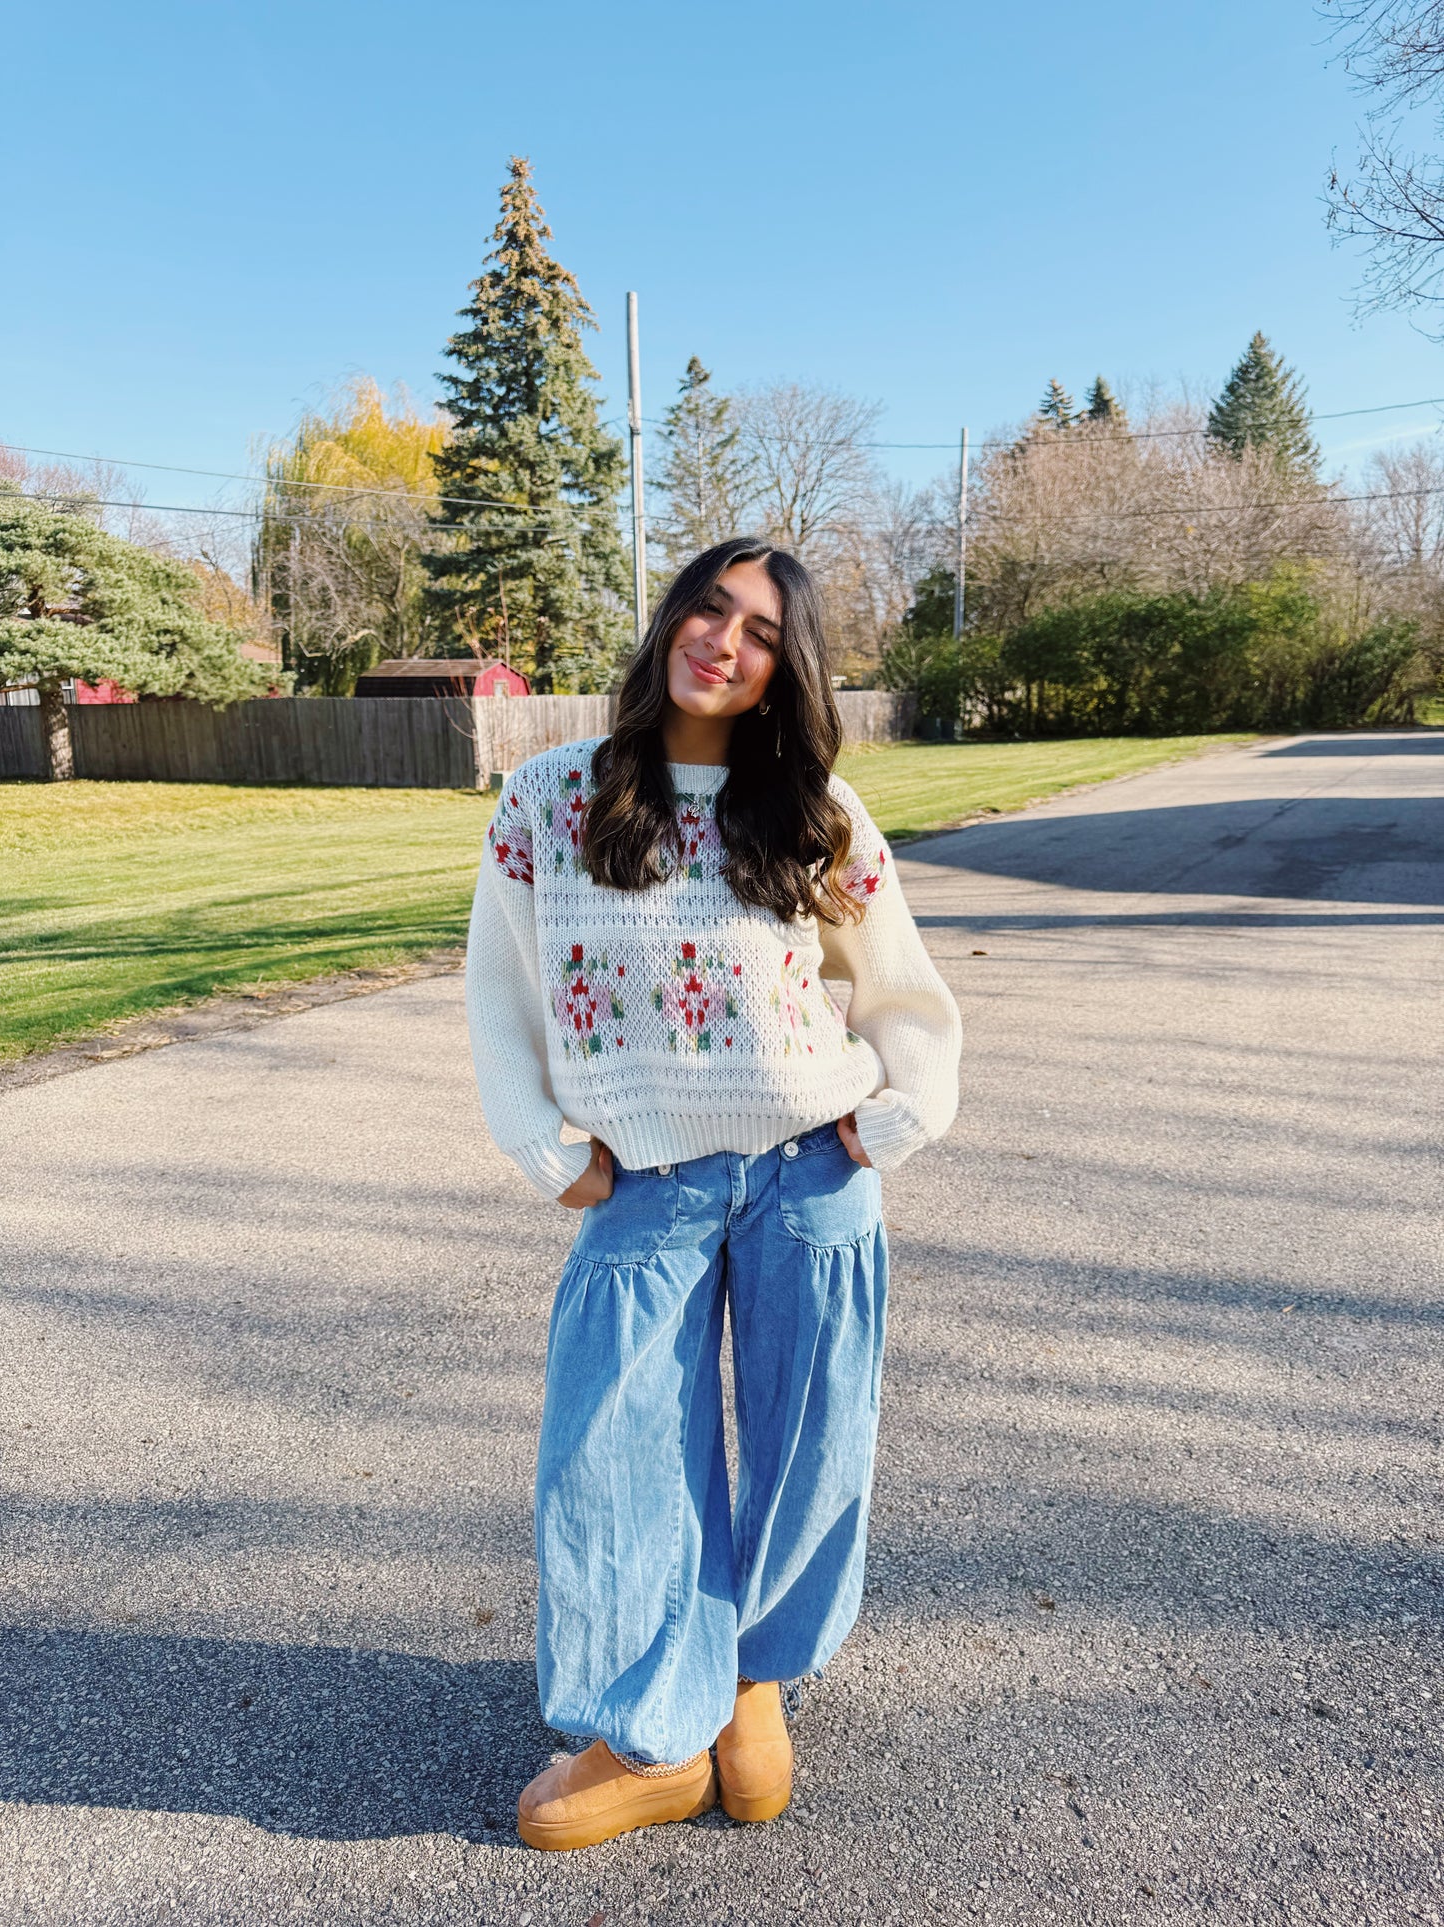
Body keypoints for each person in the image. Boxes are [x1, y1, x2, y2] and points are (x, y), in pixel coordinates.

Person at [465, 537, 961, 1851]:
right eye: (706, 608)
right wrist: (543, 1144)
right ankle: (653, 1737)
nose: (722, 640)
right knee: (613, 1459)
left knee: (807, 1452)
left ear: (779, 668)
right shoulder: (548, 799)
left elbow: (898, 985)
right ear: (669, 621)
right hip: (647, 1183)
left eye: (756, 630)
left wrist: (899, 1110)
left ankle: (748, 1689)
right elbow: (497, 989)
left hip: (810, 1172)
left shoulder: (816, 811)